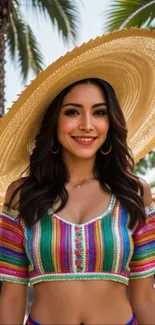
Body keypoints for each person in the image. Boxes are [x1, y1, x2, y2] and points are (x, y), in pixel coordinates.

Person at [0, 28, 155, 325]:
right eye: (72, 112)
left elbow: (145, 296)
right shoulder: (22, 195)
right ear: (54, 121)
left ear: (110, 124)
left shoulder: (135, 192)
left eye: (99, 112)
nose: (87, 124)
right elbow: (12, 295)